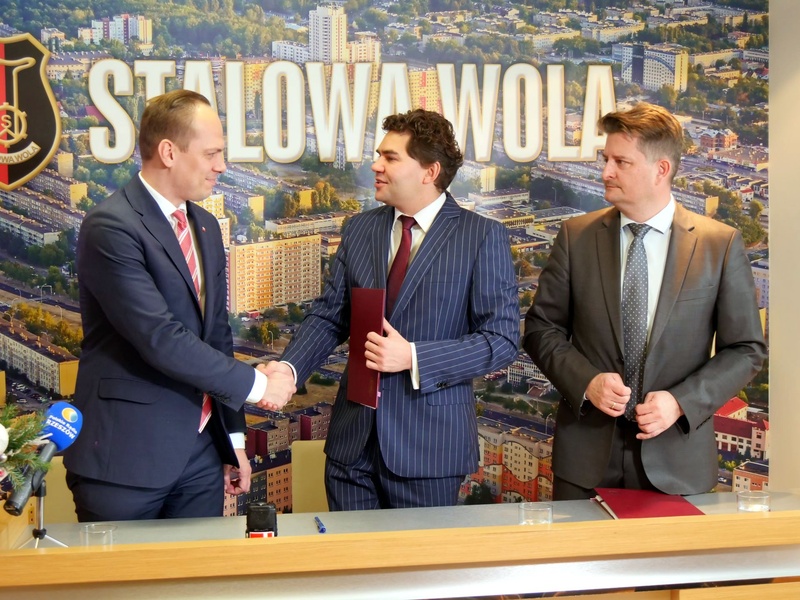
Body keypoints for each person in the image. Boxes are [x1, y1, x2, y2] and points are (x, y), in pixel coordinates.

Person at [63, 89, 296, 521]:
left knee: (197, 568)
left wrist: (233, 441)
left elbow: (216, 336)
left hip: (201, 457)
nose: (221, 166)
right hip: (125, 460)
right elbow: (160, 338)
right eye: (211, 153)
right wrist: (259, 386)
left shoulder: (205, 225)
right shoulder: (110, 227)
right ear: (169, 152)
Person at [276, 108, 520, 510]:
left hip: (429, 449)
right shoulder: (359, 229)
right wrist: (289, 370)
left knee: (420, 556)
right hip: (351, 447)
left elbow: (502, 340)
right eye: (379, 155)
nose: (376, 165)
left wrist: (413, 357)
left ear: (429, 172)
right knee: (352, 553)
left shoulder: (482, 237)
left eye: (390, 157)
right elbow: (329, 316)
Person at [524, 102, 766, 500]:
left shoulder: (719, 245)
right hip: (584, 462)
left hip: (678, 462)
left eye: (621, 162)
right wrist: (587, 382)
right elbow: (540, 329)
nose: (605, 172)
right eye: (606, 159)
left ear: (661, 170)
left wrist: (680, 403)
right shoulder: (575, 237)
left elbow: (746, 349)